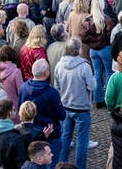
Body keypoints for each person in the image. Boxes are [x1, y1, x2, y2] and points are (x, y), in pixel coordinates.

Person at [53, 38, 96, 169]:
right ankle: (79, 167)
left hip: (65, 107)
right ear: (78, 51)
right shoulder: (84, 66)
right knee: (82, 140)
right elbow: (93, 86)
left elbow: (56, 86)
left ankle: (62, 164)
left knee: (65, 137)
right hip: (82, 108)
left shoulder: (59, 65)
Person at [17, 59, 65, 164]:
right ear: (45, 73)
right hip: (51, 132)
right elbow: (61, 115)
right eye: (48, 68)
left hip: (31, 133)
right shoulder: (52, 92)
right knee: (52, 162)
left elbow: (20, 108)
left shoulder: (23, 88)